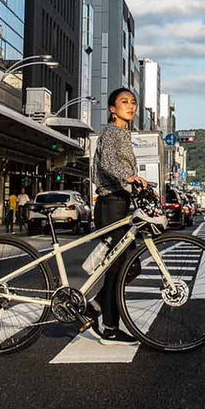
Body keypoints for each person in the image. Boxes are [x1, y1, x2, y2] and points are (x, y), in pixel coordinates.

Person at [89, 86, 149, 342]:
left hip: (119, 203)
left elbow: (116, 165)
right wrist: (128, 176)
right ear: (113, 109)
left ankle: (94, 307)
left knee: (126, 265)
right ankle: (110, 328)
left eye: (133, 102)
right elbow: (107, 163)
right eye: (124, 102)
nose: (131, 106)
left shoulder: (124, 133)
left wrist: (139, 184)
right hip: (110, 204)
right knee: (120, 266)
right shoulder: (113, 132)